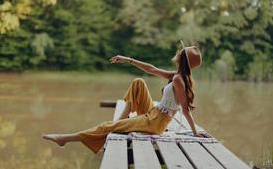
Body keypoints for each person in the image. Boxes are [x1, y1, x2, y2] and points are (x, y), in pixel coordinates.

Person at [42, 42, 208, 154]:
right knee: (139, 83)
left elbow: (185, 109)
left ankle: (64, 138)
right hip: (154, 114)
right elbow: (151, 69)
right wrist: (128, 59)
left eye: (180, 53)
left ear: (182, 59)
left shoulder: (179, 80)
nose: (177, 53)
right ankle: (120, 121)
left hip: (155, 122)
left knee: (105, 127)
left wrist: (194, 132)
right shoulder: (177, 75)